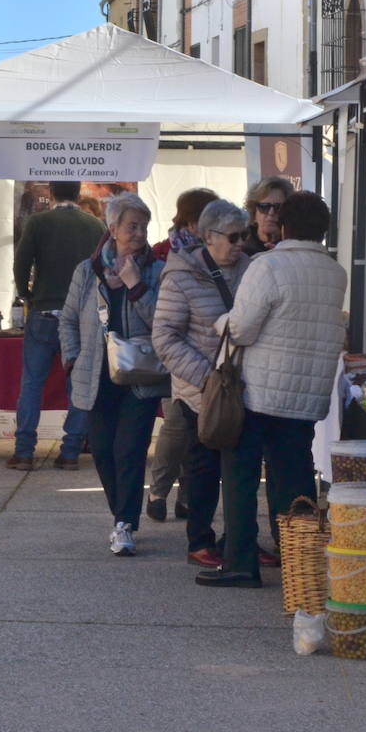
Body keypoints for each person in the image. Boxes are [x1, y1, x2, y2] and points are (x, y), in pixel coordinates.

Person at [197, 191, 347, 588]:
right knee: (294, 481)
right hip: (306, 398)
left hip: (259, 393)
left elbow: (242, 328)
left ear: (284, 226)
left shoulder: (268, 265)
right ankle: (298, 559)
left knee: (241, 478)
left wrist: (221, 322)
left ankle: (240, 563)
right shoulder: (335, 273)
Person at [60, 192, 166, 556]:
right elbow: (69, 319)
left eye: (143, 227)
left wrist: (137, 286)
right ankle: (120, 516)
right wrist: (73, 359)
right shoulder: (87, 271)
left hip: (140, 377)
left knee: (129, 450)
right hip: (96, 376)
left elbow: (163, 323)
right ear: (113, 228)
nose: (138, 233)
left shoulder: (156, 270)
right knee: (103, 451)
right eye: (131, 226)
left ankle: (124, 524)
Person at [152, 199, 251, 566]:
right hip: (200, 394)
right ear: (209, 237)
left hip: (241, 389)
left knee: (240, 469)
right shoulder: (180, 276)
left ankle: (240, 539)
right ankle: (200, 541)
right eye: (234, 236)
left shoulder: (250, 269)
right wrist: (208, 379)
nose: (241, 243)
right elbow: (164, 338)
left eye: (245, 235)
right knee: (204, 469)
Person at [9, 180, 106, 471]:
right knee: (78, 384)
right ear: (79, 195)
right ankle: (71, 452)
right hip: (79, 317)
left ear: (51, 194)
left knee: (32, 384)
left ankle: (24, 451)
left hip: (43, 312)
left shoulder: (39, 222)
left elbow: (21, 263)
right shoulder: (96, 227)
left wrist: (27, 294)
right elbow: (103, 268)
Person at [146, 187, 219, 522]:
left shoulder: (223, 253)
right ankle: (159, 491)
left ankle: (187, 498)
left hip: (209, 357)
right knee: (177, 428)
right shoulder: (164, 253)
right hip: (180, 355)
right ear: (192, 221)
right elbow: (156, 313)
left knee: (200, 434)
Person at [241, 176, 293, 257]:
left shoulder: (294, 247)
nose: (271, 213)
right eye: (264, 206)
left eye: (278, 207)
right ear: (254, 212)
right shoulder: (240, 247)